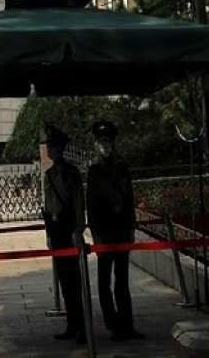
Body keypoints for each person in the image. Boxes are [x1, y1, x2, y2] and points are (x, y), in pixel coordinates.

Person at [86, 120, 144, 341]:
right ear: (96, 144)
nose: (105, 145)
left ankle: (126, 324)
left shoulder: (122, 168)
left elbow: (129, 200)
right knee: (104, 282)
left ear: (113, 143)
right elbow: (91, 206)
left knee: (122, 281)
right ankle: (112, 323)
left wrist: (131, 228)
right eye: (101, 142)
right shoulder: (94, 172)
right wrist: (96, 236)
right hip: (105, 233)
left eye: (108, 141)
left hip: (120, 232)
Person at [41, 124, 87, 344]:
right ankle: (71, 324)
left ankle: (82, 327)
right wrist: (48, 233)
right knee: (63, 280)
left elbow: (78, 203)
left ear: (59, 149)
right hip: (56, 230)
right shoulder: (48, 174)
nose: (49, 150)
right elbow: (48, 208)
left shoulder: (71, 173)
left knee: (75, 281)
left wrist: (79, 230)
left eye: (51, 146)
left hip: (69, 229)